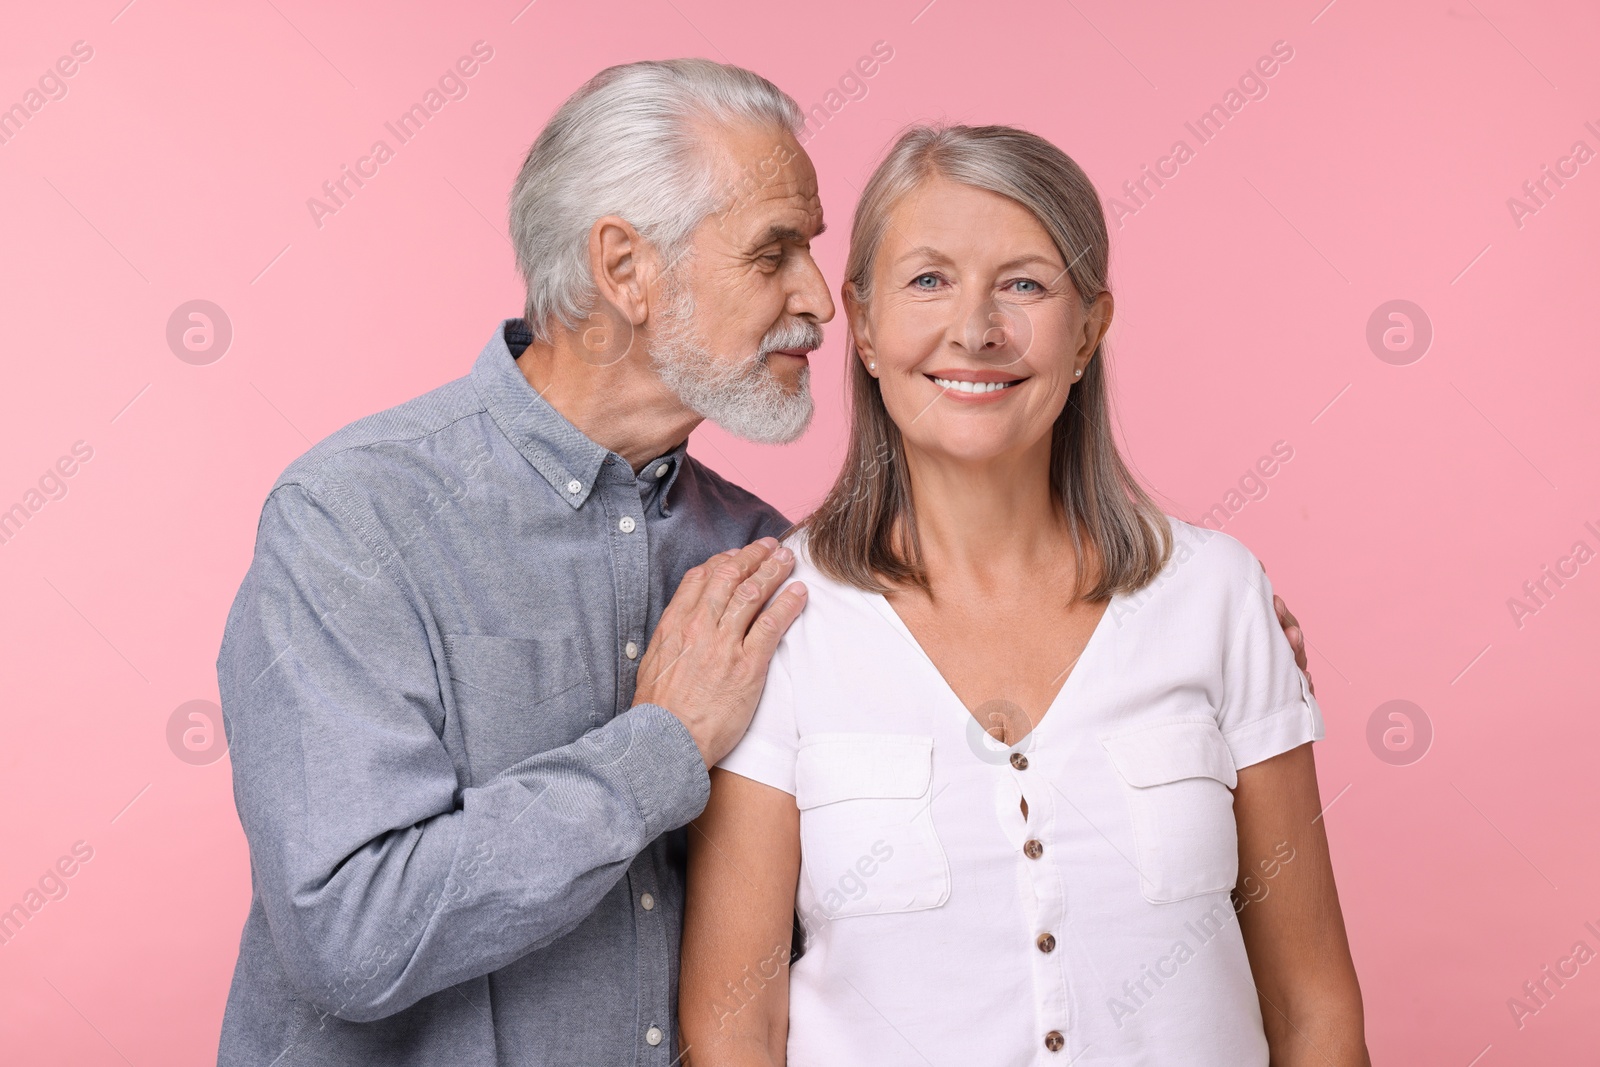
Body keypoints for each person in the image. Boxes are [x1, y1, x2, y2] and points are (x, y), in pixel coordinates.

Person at [214, 59, 1316, 1066]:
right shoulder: (358, 518)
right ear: (625, 268)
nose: (811, 302)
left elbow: (859, 906)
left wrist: (1183, 631)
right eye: (773, 249)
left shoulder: (761, 562)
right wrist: (657, 749)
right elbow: (346, 934)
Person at [679, 125, 1367, 1065]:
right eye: (929, 280)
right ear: (866, 326)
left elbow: (1313, 1006)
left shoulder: (1216, 595)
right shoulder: (784, 623)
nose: (977, 328)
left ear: (1090, 328)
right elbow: (733, 1030)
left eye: (1026, 284)